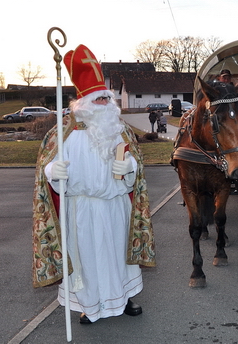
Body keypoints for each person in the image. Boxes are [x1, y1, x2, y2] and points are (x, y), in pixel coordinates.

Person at [31, 44, 156, 324]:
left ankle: (122, 299)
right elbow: (44, 170)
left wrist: (130, 169)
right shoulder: (62, 132)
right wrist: (53, 170)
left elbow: (136, 165)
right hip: (81, 210)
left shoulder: (119, 128)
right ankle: (90, 305)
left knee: (118, 259)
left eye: (106, 99)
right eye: (98, 100)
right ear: (84, 102)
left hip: (115, 206)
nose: (104, 104)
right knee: (87, 261)